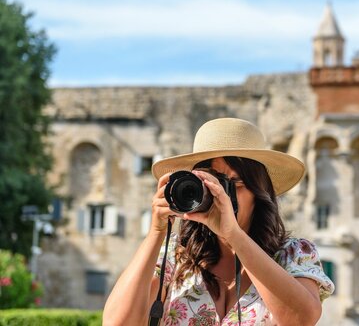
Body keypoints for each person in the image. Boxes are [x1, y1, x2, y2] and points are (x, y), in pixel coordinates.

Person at [103, 118, 334, 325]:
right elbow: (117, 323)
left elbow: (301, 319)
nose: (220, 195)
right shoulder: (174, 258)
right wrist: (156, 231)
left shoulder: (293, 254)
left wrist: (234, 235)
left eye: (234, 183)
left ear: (258, 191)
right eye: (210, 183)